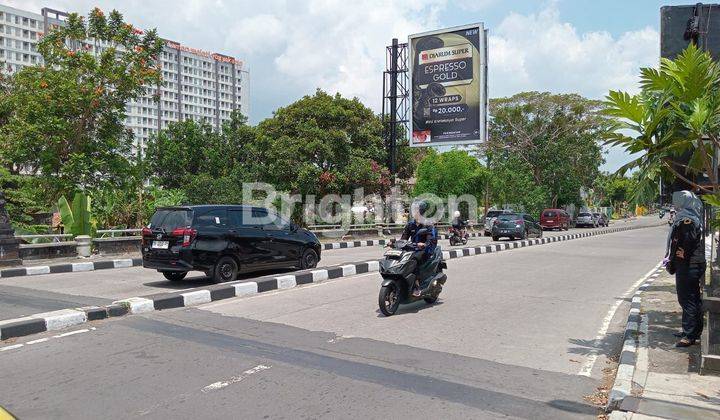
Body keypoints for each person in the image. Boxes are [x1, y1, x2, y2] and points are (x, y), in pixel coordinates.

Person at [665, 190, 705, 347]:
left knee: (686, 298)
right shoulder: (690, 217)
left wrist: (682, 254)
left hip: (689, 265)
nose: (675, 202)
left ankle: (689, 335)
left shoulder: (687, 220)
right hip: (693, 264)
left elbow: (688, 241)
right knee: (693, 298)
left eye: (678, 199)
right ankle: (692, 330)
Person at [399, 200, 438, 297]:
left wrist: (424, 244)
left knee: (413, 261)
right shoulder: (410, 224)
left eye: (416, 210)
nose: (413, 212)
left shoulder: (428, 224)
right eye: (413, 210)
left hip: (425, 251)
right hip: (412, 249)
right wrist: (395, 243)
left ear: (421, 211)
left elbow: (431, 239)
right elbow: (404, 238)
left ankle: (416, 286)